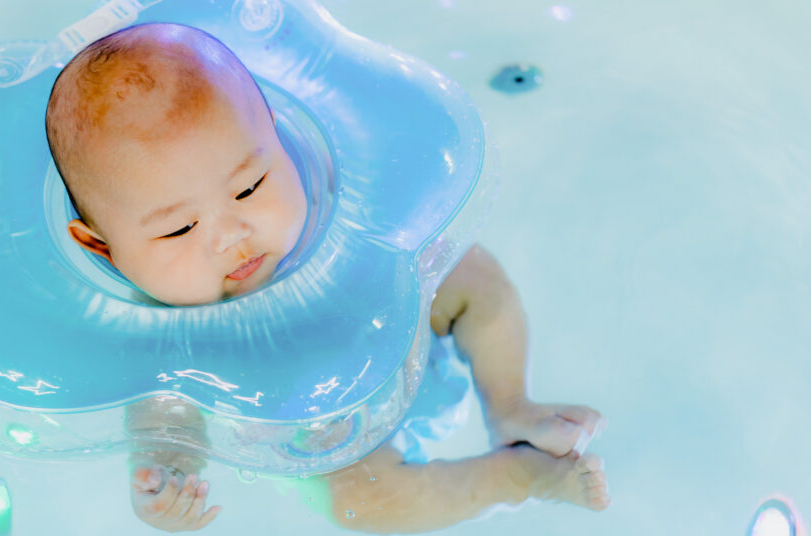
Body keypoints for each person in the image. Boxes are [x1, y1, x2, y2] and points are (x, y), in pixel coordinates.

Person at [44, 22, 610, 533]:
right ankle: (515, 479)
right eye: (179, 229)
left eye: (249, 187)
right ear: (104, 250)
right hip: (334, 441)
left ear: (278, 138)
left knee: (471, 274)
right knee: (364, 505)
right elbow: (165, 431)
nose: (231, 234)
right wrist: (165, 485)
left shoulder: (329, 196)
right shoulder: (154, 338)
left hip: (409, 337)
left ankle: (511, 404)